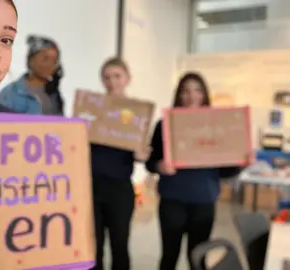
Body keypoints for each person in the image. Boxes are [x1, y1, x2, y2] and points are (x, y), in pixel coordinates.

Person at [145, 72, 246, 270]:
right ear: (179, 95)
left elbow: (224, 170)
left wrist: (242, 162)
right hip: (173, 200)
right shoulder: (165, 124)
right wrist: (159, 166)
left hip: (203, 201)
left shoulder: (217, 126)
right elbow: (150, 161)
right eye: (186, 91)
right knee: (169, 256)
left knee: (198, 258)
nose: (192, 96)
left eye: (197, 90)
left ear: (205, 95)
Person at [91, 58, 150, 270]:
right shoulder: (92, 109)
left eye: (117, 76)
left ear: (127, 78)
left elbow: (142, 155)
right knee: (93, 247)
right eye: (107, 77)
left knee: (119, 245)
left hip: (120, 189)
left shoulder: (138, 114)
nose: (112, 82)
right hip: (92, 187)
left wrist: (142, 155)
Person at [0, 35, 64, 115]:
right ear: (31, 60)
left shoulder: (54, 93)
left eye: (55, 61)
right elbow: (1, 125)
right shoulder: (10, 93)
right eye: (45, 59)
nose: (50, 65)